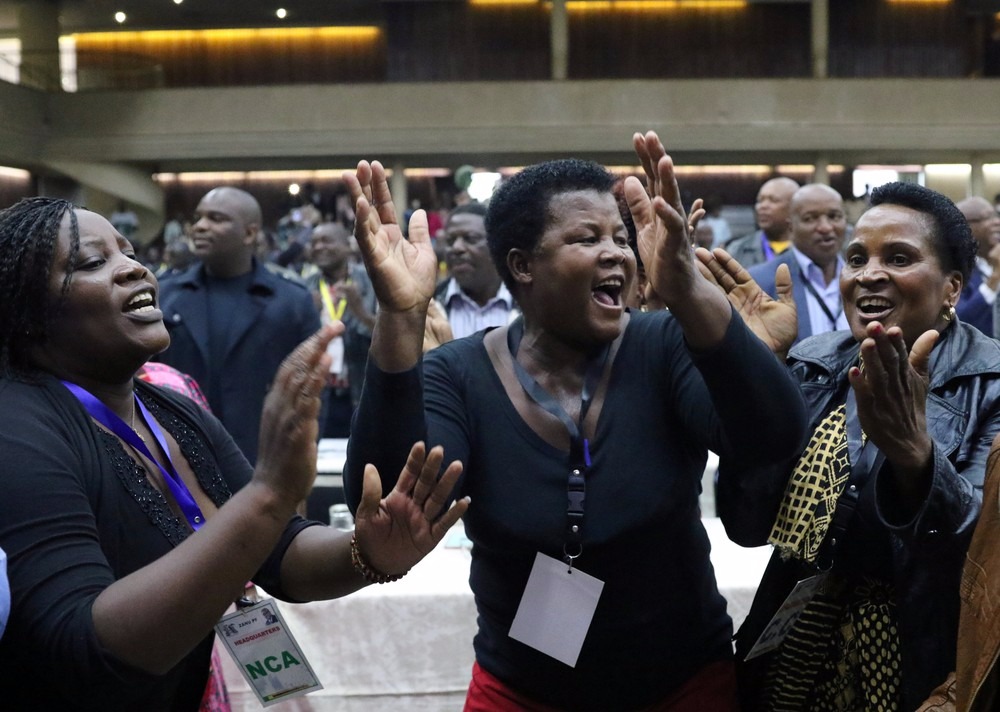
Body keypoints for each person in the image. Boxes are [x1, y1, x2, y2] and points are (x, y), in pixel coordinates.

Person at [342, 132, 809, 711]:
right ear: (523, 265)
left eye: (621, 237)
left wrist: (689, 289)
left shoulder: (663, 345)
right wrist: (399, 318)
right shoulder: (457, 375)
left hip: (681, 686)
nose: (615, 252)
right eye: (587, 238)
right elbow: (392, 496)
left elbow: (772, 440)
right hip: (522, 691)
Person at [0, 197, 468, 710]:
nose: (133, 267)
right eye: (93, 262)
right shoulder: (17, 426)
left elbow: (281, 552)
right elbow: (82, 649)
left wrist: (365, 553)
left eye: (129, 252)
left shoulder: (169, 409)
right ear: (26, 312)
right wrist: (268, 493)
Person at [699, 181, 1000, 711]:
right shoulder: (816, 363)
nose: (868, 274)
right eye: (856, 257)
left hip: (924, 664)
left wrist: (916, 458)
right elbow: (747, 526)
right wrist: (755, 381)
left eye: (899, 257)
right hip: (794, 657)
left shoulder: (992, 381)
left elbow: (979, 564)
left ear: (952, 288)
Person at [155, 187, 322, 464]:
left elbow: (312, 393)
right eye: (198, 218)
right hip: (178, 464)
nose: (200, 227)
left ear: (249, 233)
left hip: (261, 465)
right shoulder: (165, 296)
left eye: (216, 218)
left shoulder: (291, 302)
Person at [748, 183, 850, 347]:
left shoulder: (862, 278)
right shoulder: (760, 282)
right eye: (810, 218)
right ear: (791, 228)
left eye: (834, 216)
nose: (825, 227)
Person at [305, 222, 377, 433]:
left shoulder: (372, 283)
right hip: (318, 393)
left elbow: (391, 340)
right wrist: (309, 314)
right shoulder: (303, 287)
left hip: (361, 391)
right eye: (314, 242)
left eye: (326, 241)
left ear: (347, 246)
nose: (318, 247)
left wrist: (360, 312)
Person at [433, 202, 517, 339]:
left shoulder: (531, 305)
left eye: (470, 238)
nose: (457, 248)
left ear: (496, 245)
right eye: (450, 241)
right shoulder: (431, 306)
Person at [723, 176, 799, 269]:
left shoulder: (809, 250)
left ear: (794, 207)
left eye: (773, 200)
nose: (762, 206)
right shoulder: (737, 249)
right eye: (760, 200)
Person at [955, 196, 1000, 337]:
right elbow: (956, 318)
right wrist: (995, 277)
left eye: (995, 215)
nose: (997, 222)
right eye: (986, 218)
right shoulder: (955, 270)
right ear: (965, 227)